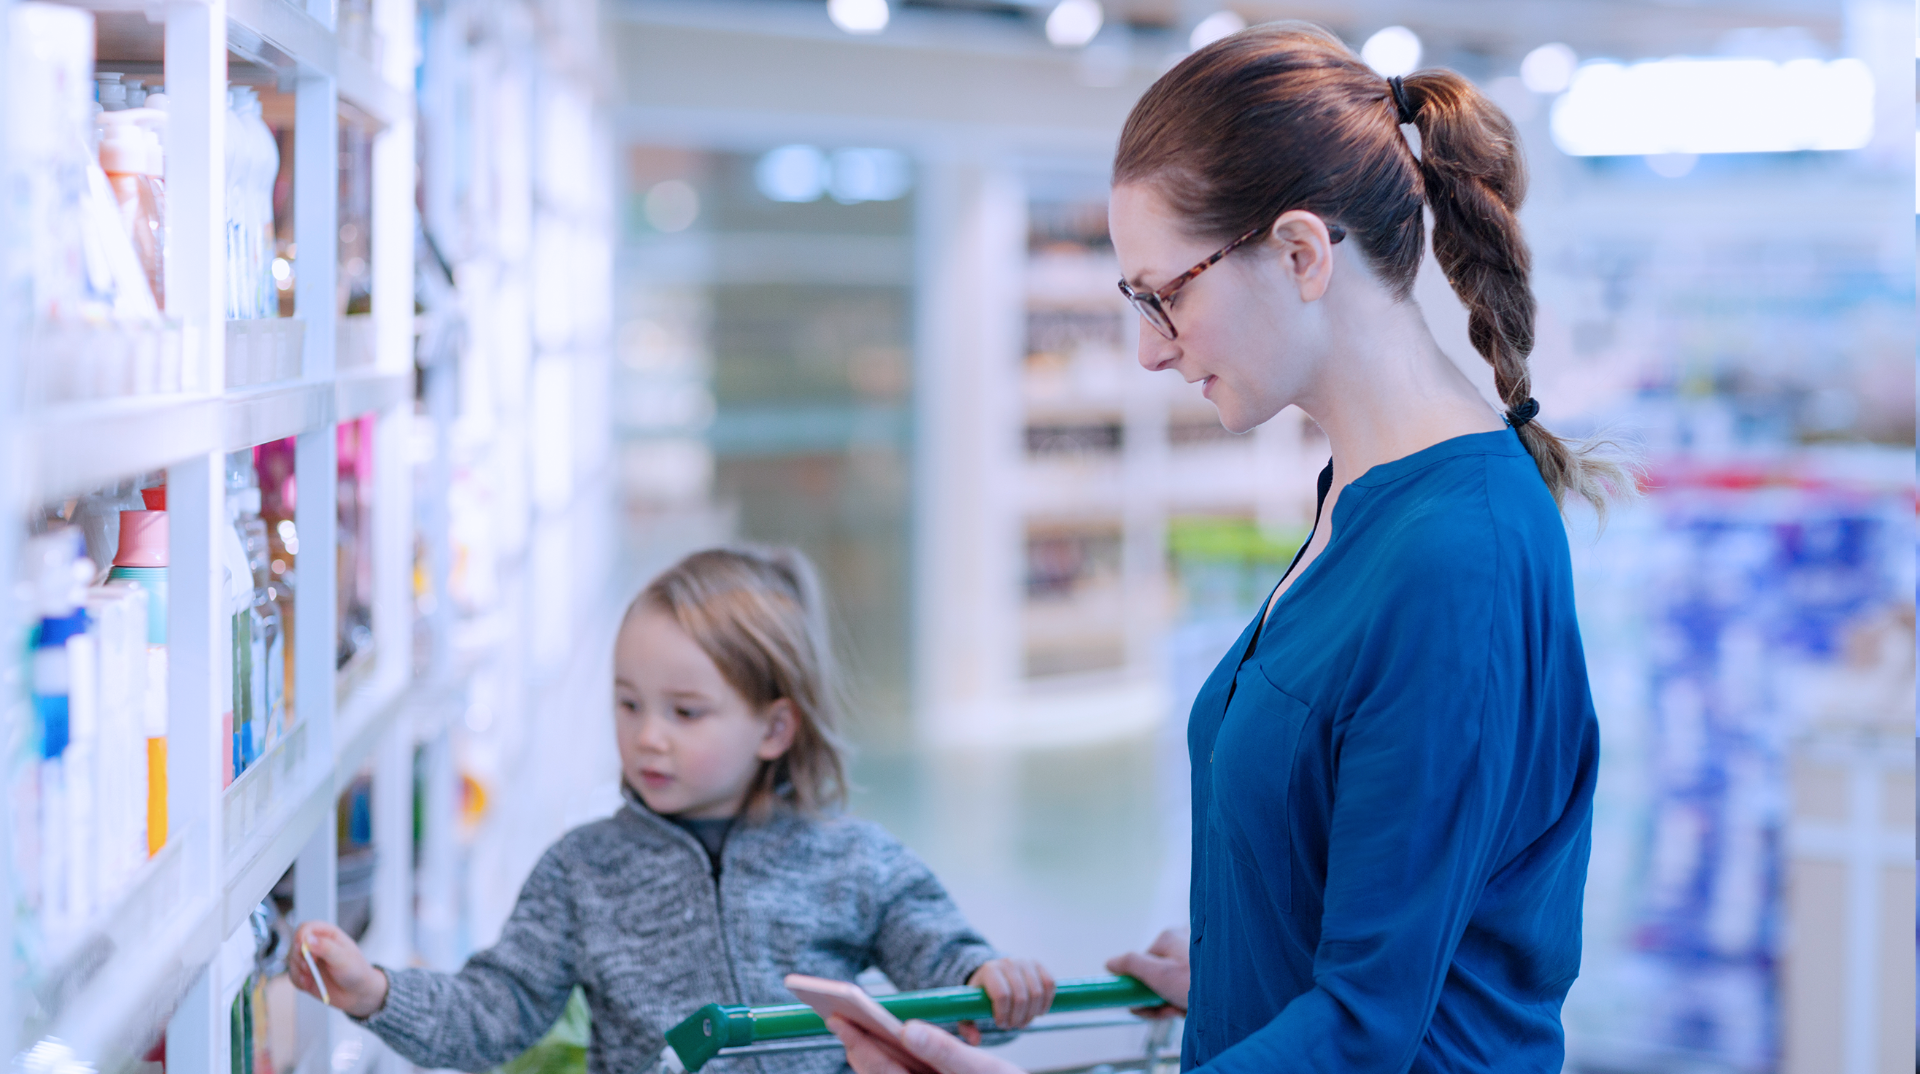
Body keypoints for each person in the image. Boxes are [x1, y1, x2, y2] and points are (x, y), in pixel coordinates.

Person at [830, 20, 1619, 1074]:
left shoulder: (1455, 557)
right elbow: (1406, 918)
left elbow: (1368, 1032)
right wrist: (1245, 963)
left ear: (1300, 252)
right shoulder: (1361, 494)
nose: (1153, 349)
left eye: (1167, 294)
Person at [290, 547, 1056, 1074]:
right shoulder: (581, 871)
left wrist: (990, 977)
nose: (648, 736)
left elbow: (950, 975)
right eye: (629, 704)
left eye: (686, 713)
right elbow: (497, 1007)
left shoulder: (856, 862)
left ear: (774, 728)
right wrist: (375, 992)